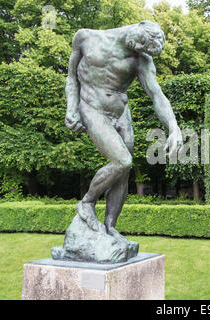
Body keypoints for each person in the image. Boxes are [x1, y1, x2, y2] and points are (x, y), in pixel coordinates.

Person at [64, 21, 183, 237]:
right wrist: (71, 108)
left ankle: (110, 227)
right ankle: (87, 203)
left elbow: (156, 94)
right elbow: (72, 77)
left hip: (121, 114)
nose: (139, 49)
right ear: (140, 25)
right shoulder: (85, 37)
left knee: (123, 171)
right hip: (92, 107)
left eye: (144, 49)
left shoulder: (141, 59)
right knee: (122, 161)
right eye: (141, 43)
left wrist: (173, 125)